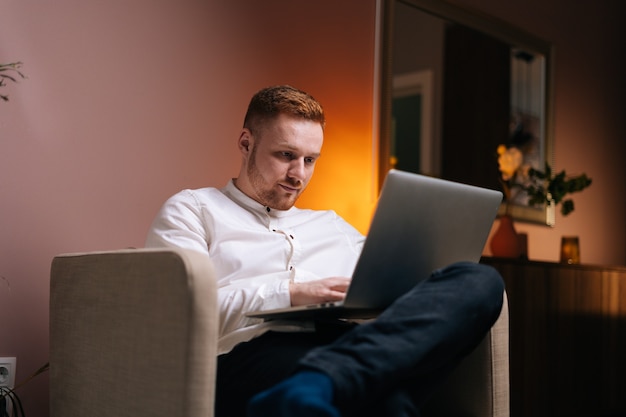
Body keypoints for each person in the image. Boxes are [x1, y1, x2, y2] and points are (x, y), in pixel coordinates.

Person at [145, 85, 504, 417]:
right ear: (245, 143)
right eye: (286, 155)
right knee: (388, 402)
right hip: (246, 355)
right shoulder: (193, 209)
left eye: (310, 160)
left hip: (344, 346)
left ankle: (322, 382)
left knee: (480, 280)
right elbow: (179, 315)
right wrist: (291, 293)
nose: (298, 174)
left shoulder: (332, 226)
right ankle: (329, 384)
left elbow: (397, 290)